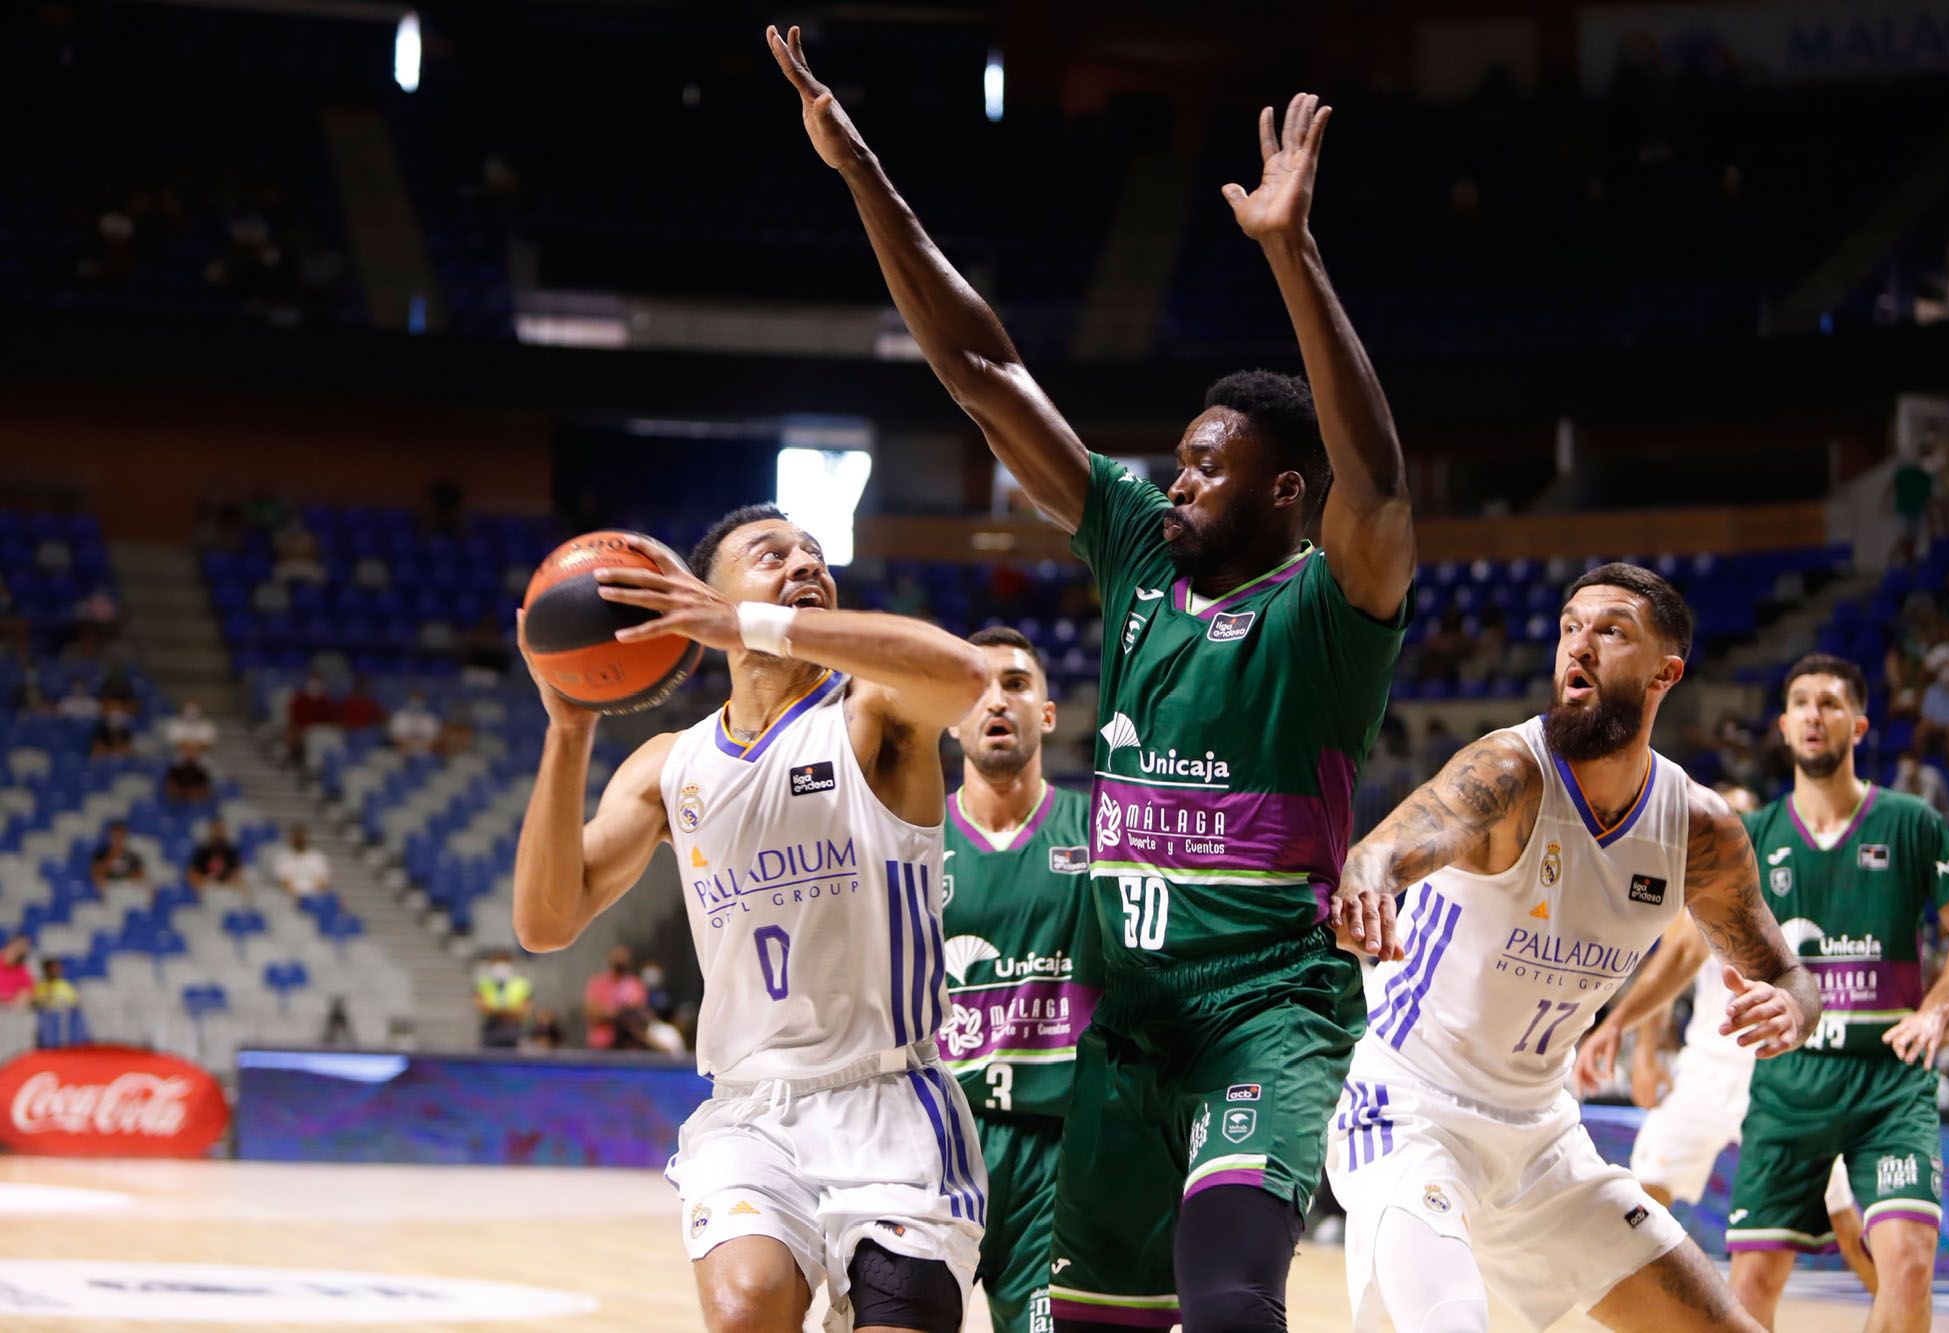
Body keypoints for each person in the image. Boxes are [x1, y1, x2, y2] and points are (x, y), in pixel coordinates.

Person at [772, 31, 1414, 1330]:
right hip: (1123, 1030)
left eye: (1207, 464)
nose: (1174, 478)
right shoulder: (1134, 554)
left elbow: (1380, 485)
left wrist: (1290, 253)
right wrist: (864, 178)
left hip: (1262, 1015)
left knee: (1230, 1297)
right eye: (1174, 459)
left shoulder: (1329, 607)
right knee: (1094, 1323)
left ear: (1285, 489)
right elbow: (984, 370)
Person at [512, 510, 991, 1333]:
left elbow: (964, 675)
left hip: (889, 1100)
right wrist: (569, 728)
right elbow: (546, 921)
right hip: (748, 1110)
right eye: (772, 555)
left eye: (815, 556)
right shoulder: (671, 764)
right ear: (703, 596)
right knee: (745, 1308)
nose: (805, 564)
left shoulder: (870, 712)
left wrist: (754, 620)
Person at [1328, 564, 1819, 1332]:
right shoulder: (1511, 772)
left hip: (1545, 1137)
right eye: (1569, 627)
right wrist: (1369, 877)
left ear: (1667, 671)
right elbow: (1392, 844)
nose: (1578, 647)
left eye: (1611, 630)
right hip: (1411, 1111)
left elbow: (1787, 971)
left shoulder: (1698, 829)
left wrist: (1791, 1005)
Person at [1723, 657, 1949, 1329]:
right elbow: (1682, 933)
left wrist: (1937, 1010)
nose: (1815, 714)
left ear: (1860, 724)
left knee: (1909, 1260)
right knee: (1749, 1280)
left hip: (1888, 1079)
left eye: (1831, 703)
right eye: (1801, 703)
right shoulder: (1752, 839)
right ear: (1783, 726)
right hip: (1790, 1080)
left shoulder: (1909, 821)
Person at [1584, 786, 1879, 1295]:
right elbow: (1670, 967)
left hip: (1785, 1076)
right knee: (1638, 1204)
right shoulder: (1705, 886)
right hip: (1707, 1071)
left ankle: (1906, 1311)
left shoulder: (1797, 882)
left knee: (1847, 1225)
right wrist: (1646, 1055)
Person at [940, 627, 1099, 1333]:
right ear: (949, 712)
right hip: (933, 1147)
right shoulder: (908, 841)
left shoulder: (1102, 831)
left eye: (1015, 683)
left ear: (1048, 712)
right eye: (975, 686)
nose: (995, 701)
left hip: (1057, 1156)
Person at [583, 945, 651, 1051]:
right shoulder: (598, 983)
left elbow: (639, 1014)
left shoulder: (635, 985)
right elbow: (593, 1013)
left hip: (627, 1047)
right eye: (616, 959)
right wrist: (620, 1013)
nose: (620, 962)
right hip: (601, 1046)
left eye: (622, 959)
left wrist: (613, 1012)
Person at [475, 951, 533, 1049]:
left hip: (513, 1028)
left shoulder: (522, 984)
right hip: (491, 1028)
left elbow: (524, 1010)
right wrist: (510, 1010)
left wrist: (496, 1010)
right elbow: (482, 1007)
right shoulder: (484, 983)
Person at [32, 957, 88, 1049]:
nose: (55, 970)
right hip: (46, 1016)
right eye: (52, 968)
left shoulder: (66, 985)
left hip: (64, 1016)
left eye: (58, 968)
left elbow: (74, 1002)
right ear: (46, 969)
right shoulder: (40, 985)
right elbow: (37, 1001)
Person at [272, 823, 332, 901]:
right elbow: (284, 881)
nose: (300, 839)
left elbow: (323, 881)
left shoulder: (317, 857)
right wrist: (297, 896)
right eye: (297, 837)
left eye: (302, 837)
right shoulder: (283, 857)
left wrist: (311, 896)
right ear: (292, 838)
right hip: (290, 898)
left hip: (314, 897)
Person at [187, 820, 245, 894]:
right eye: (215, 830)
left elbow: (237, 874)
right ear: (211, 831)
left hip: (227, 889)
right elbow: (192, 873)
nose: (218, 833)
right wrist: (205, 885)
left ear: (224, 832)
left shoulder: (231, 852)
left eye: (220, 830)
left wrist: (226, 885)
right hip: (206, 889)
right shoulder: (202, 851)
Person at [90, 821, 146, 891]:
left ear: (125, 836)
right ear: (110, 836)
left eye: (120, 835)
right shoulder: (100, 855)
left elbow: (140, 877)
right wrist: (112, 858)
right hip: (108, 892)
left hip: (128, 891)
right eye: (115, 835)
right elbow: (96, 876)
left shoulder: (133, 857)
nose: (117, 839)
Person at [0, 936, 33, 1007]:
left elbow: (25, 996)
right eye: (15, 948)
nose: (17, 952)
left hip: (9, 1011)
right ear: (8, 945)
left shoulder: (23, 971)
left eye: (22, 949)